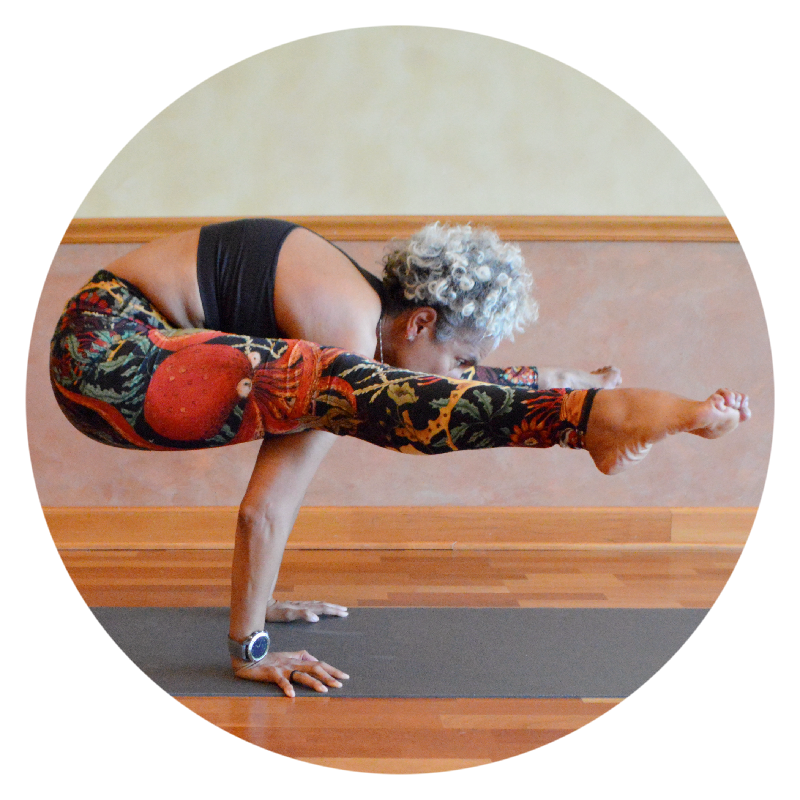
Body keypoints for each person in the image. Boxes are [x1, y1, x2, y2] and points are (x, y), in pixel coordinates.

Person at [49, 219, 750, 697]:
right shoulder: (342, 331)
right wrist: (250, 648)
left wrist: (261, 600)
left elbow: (428, 382)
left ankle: (585, 403)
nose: (456, 375)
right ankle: (590, 419)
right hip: (104, 359)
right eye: (459, 357)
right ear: (419, 321)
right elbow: (263, 510)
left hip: (132, 355)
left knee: (377, 391)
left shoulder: (351, 314)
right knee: (372, 396)